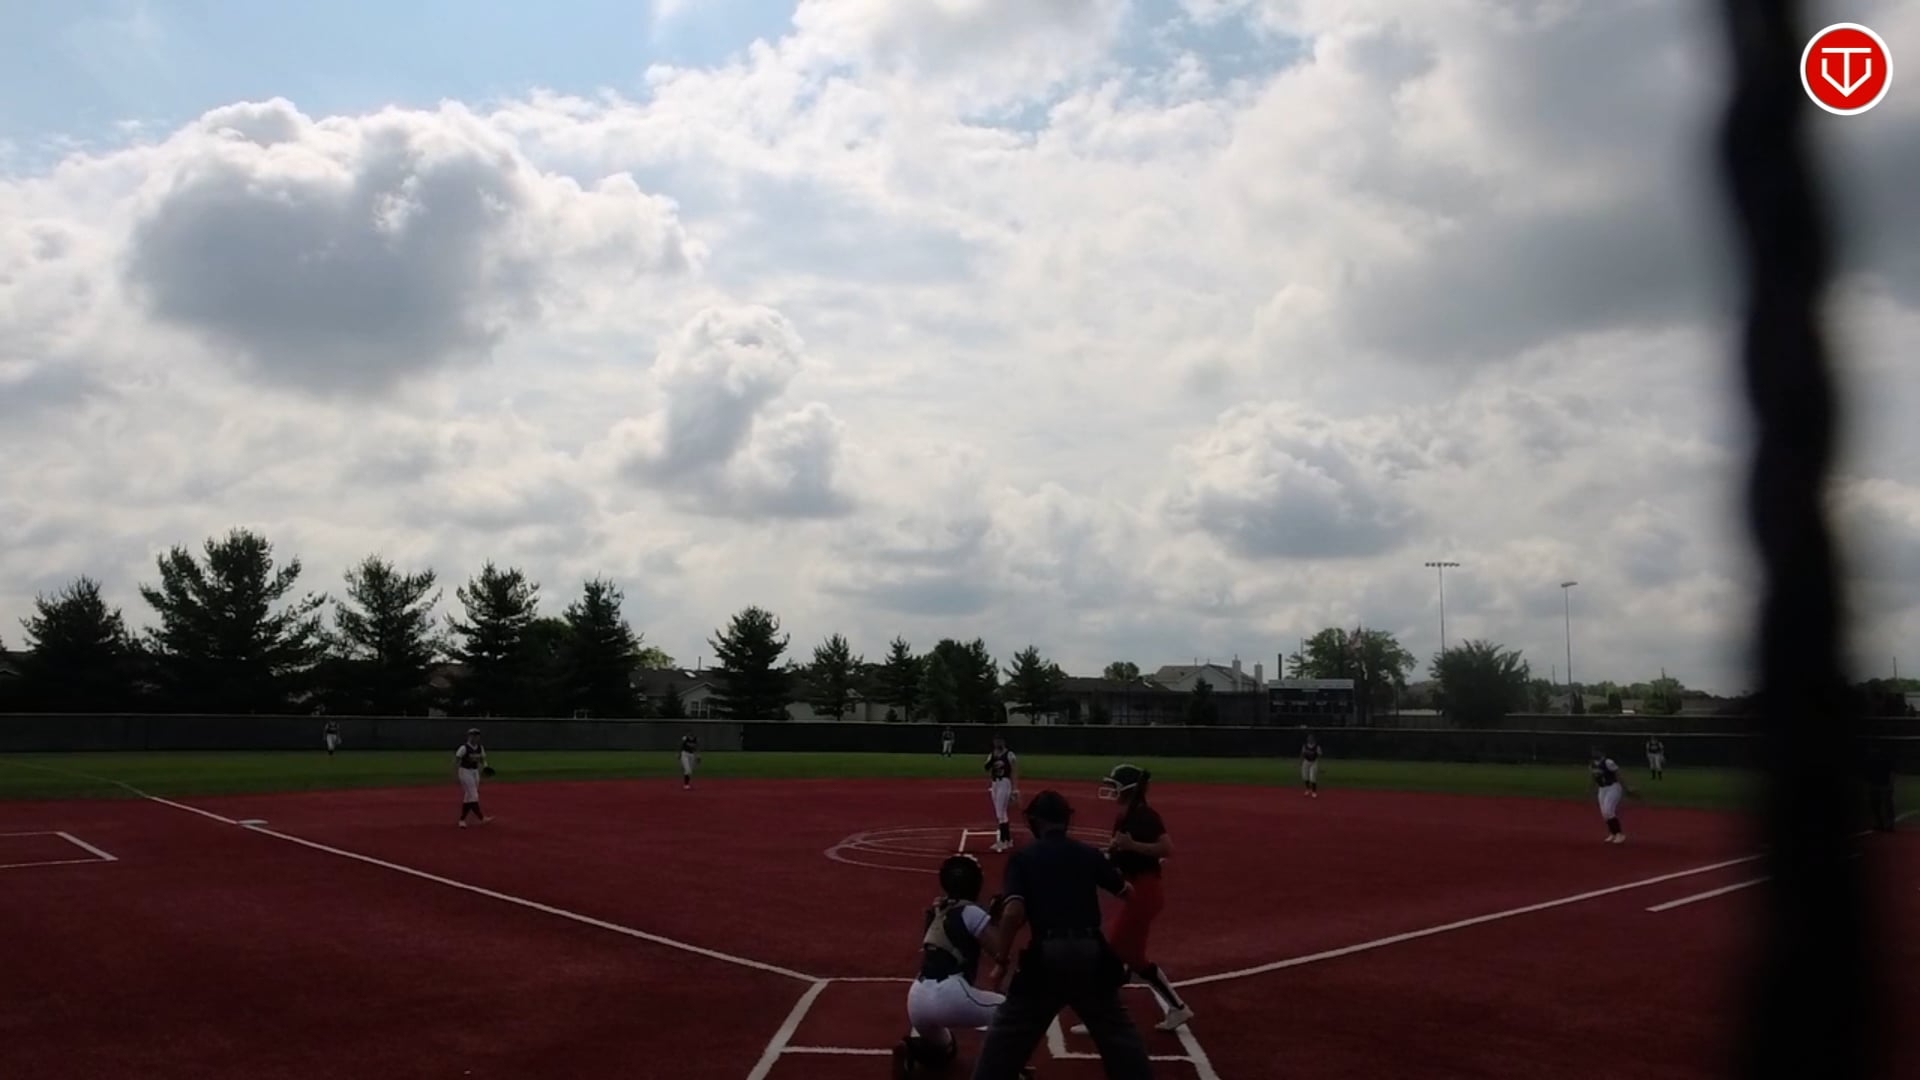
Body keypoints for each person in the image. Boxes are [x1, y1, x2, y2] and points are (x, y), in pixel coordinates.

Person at [970, 790, 1153, 1080]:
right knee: (1118, 1035)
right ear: (1066, 820)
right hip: (1090, 951)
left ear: (1035, 821)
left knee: (1006, 1038)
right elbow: (1127, 893)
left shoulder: (1023, 859)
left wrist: (1001, 960)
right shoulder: (1088, 853)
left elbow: (1013, 913)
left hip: (1046, 955)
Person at [1071, 763, 1194, 1032]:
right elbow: (1117, 857)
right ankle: (1177, 1008)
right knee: (1134, 957)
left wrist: (1131, 845)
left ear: (1127, 789)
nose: (1111, 790)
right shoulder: (1125, 817)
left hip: (1145, 891)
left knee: (1113, 950)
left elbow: (1166, 848)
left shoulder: (1144, 816)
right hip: (1138, 891)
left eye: (1115, 786)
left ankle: (1101, 1014)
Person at [892, 855, 1013, 1078]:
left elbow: (953, 934)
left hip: (918, 998)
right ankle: (1008, 1071)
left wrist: (988, 918)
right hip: (950, 993)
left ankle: (911, 1050)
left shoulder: (938, 909)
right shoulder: (971, 912)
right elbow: (999, 950)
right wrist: (1002, 920)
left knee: (946, 1050)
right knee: (1013, 1012)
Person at [985, 737, 1019, 853]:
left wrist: (1014, 789)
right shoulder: (992, 754)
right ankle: (1007, 840)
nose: (996, 744)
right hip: (995, 784)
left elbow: (1013, 771)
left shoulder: (1009, 754)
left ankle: (1003, 840)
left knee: (1001, 813)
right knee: (1001, 813)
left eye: (999, 741)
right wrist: (993, 758)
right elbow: (986, 767)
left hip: (1004, 782)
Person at [1590, 746, 1631, 844]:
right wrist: (1591, 788)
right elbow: (1594, 777)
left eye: (1596, 751)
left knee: (1609, 810)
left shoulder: (1608, 762)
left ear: (1602, 753)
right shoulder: (1592, 764)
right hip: (1602, 789)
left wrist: (1626, 787)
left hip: (1613, 787)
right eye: (1593, 751)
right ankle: (1613, 833)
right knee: (1604, 813)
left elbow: (1618, 775)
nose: (1594, 753)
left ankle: (1620, 834)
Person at [456, 728, 490, 827]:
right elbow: (457, 760)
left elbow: (482, 759)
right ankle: (481, 817)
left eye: (476, 736)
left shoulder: (480, 748)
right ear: (469, 737)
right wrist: (456, 773)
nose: (475, 737)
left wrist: (485, 766)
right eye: (473, 735)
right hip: (465, 771)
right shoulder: (464, 748)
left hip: (475, 772)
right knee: (474, 795)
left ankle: (462, 820)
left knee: (469, 796)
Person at [1865, 745, 1896, 832]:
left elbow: (1892, 771)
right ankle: (1880, 823)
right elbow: (1867, 773)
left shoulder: (1886, 758)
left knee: (1887, 805)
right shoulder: (1870, 759)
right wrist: (1869, 784)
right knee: (1875, 805)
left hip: (1885, 785)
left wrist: (1890, 784)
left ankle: (1889, 824)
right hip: (1874, 784)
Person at [1300, 733, 1322, 797]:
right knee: (1305, 776)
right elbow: (1302, 754)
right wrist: (1300, 762)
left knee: (1313, 777)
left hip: (1314, 762)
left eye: (1311, 739)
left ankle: (1314, 791)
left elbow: (1319, 755)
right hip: (1306, 761)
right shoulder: (1305, 746)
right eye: (1309, 739)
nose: (1310, 740)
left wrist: (1319, 764)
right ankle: (1307, 789)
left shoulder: (1317, 746)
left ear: (1313, 739)